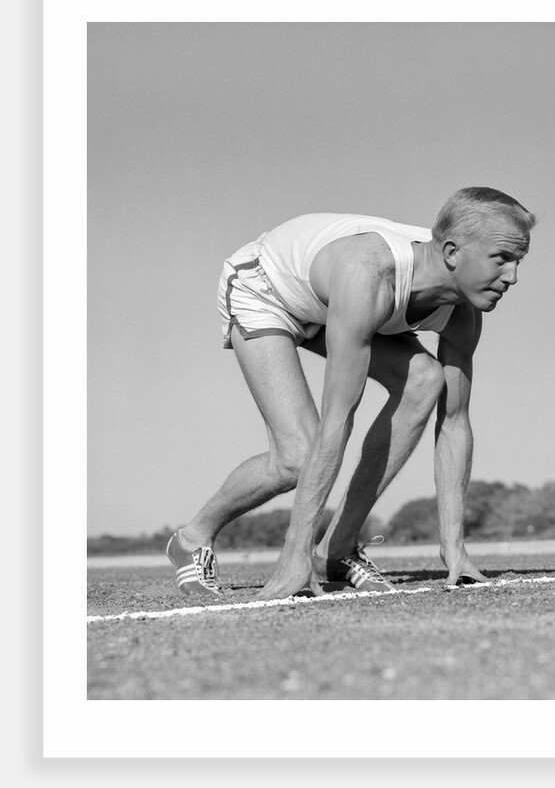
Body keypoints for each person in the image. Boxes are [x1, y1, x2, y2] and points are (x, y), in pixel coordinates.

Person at [167, 187, 535, 601]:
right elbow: (338, 419)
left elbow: (454, 422)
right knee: (298, 455)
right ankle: (192, 538)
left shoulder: (461, 311)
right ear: (451, 252)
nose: (513, 277)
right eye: (502, 259)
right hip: (265, 289)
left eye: (518, 261)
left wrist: (454, 548)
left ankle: (336, 551)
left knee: (426, 379)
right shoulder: (370, 274)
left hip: (332, 304)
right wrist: (294, 555)